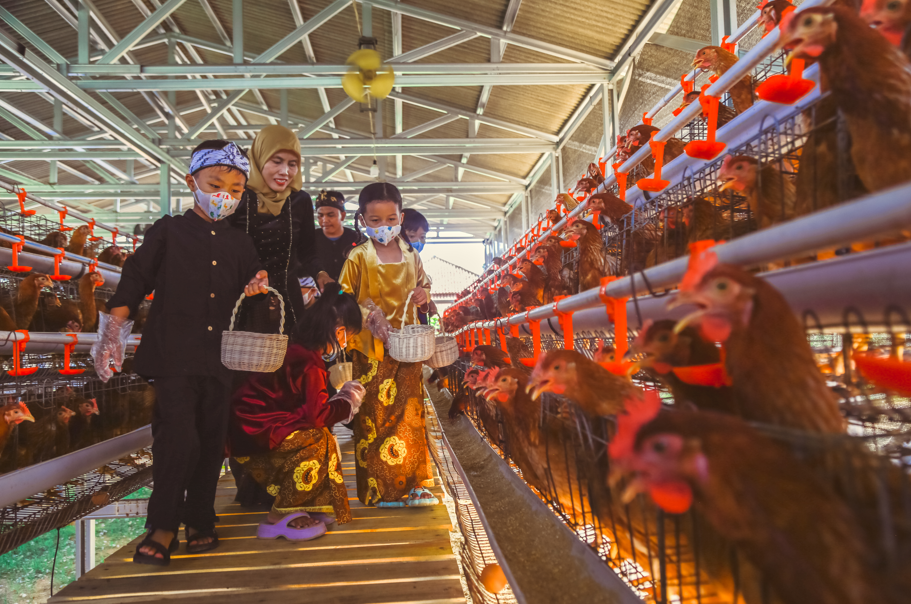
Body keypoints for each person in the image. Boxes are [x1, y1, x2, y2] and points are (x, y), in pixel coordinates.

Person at [95, 140, 270, 565]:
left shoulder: (241, 244)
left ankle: (200, 518)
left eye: (235, 189)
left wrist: (258, 284)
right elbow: (136, 277)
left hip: (220, 359)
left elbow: (254, 287)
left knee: (210, 441)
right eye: (215, 185)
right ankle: (163, 524)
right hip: (173, 355)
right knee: (178, 438)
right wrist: (113, 329)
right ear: (192, 182)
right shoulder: (168, 231)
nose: (224, 196)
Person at [228, 285, 366, 540]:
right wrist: (347, 401)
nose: (346, 344)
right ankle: (281, 513)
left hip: (253, 426)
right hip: (253, 431)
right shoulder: (310, 362)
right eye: (348, 336)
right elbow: (318, 416)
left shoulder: (302, 350)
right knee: (319, 439)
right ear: (338, 331)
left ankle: (309, 502)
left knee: (320, 436)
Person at [338, 182, 438, 508]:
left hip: (407, 348)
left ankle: (414, 484)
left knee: (410, 416)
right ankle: (378, 489)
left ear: (401, 217)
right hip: (371, 350)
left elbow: (424, 287)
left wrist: (424, 295)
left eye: (391, 219)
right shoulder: (358, 257)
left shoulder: (411, 256)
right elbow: (341, 297)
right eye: (375, 220)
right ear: (362, 220)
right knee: (374, 417)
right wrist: (368, 315)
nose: (384, 226)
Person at [228, 125, 331, 333]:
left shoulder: (300, 200)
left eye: (292, 164)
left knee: (290, 350)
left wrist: (321, 274)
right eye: (277, 161)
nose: (285, 172)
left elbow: (307, 252)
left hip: (288, 300)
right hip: (241, 300)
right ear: (259, 158)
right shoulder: (238, 196)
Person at [314, 190, 362, 281]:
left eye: (330, 215)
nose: (325, 220)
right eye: (320, 215)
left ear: (342, 216)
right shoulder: (309, 240)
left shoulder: (358, 239)